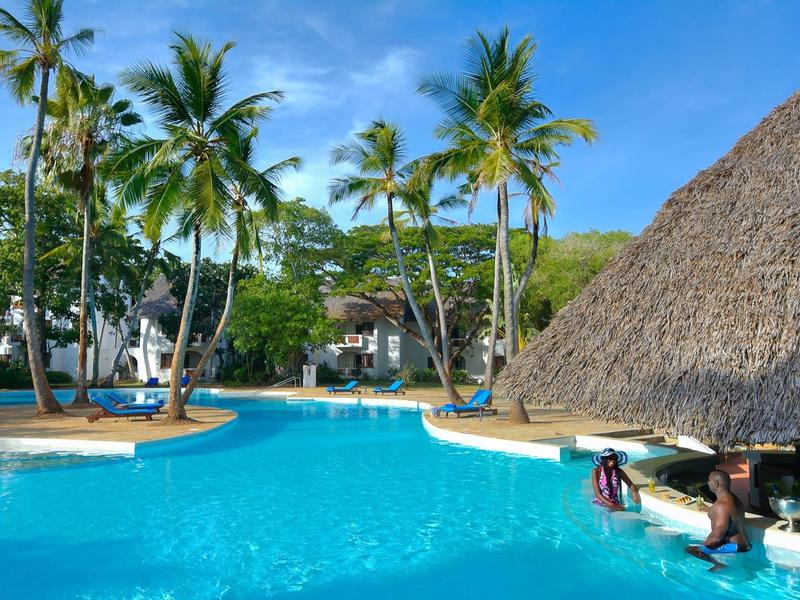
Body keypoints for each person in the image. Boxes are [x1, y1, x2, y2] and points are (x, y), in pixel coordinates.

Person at [685, 470, 752, 572]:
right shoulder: (732, 498)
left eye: (709, 480)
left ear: (715, 484)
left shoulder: (722, 506)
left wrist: (703, 547)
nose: (708, 483)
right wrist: (709, 509)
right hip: (742, 543)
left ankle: (718, 564)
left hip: (735, 546)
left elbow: (716, 538)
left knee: (690, 549)